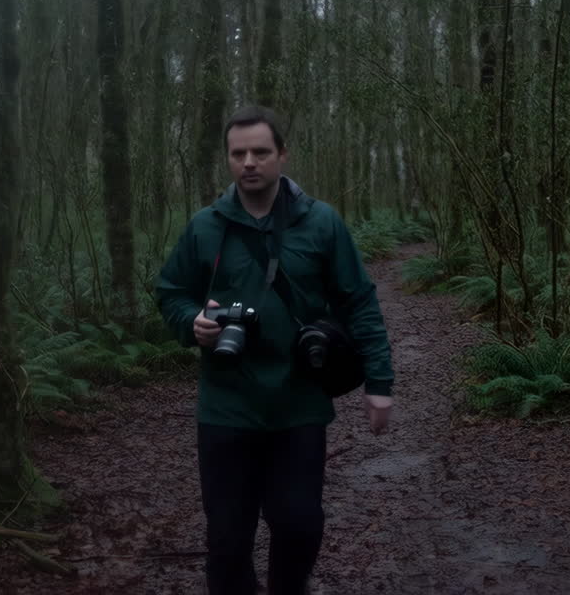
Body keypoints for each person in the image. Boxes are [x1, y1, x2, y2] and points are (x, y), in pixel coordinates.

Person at [155, 105, 395, 595]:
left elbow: (359, 301)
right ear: (227, 158)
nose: (249, 162)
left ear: (282, 155)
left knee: (299, 524)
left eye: (260, 152)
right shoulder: (205, 227)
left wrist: (379, 382)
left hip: (298, 403)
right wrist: (191, 322)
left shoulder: (321, 223)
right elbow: (171, 291)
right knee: (227, 539)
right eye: (238, 153)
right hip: (225, 406)